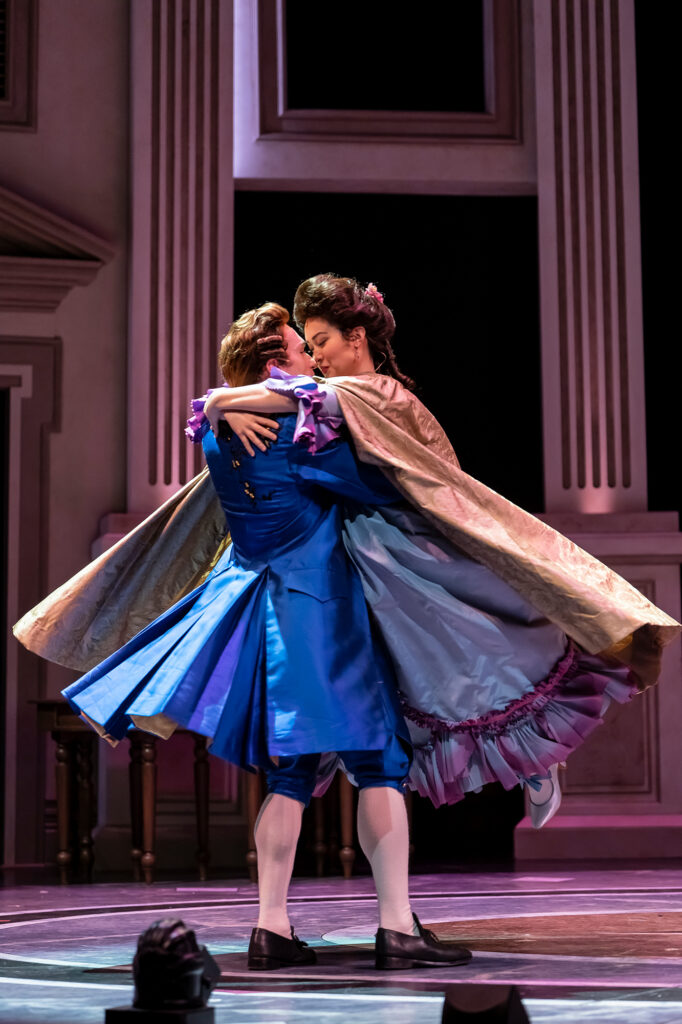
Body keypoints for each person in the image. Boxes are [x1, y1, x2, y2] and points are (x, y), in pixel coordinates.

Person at [37, 301, 472, 972]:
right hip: (324, 613)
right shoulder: (296, 432)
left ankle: (271, 929)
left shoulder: (218, 433)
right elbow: (376, 487)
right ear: (274, 367)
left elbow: (221, 416)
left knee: (292, 773)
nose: (312, 361)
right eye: (302, 351)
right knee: (379, 760)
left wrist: (217, 404)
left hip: (266, 614)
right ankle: (395, 928)